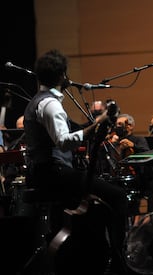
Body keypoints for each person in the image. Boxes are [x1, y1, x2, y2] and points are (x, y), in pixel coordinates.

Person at [23, 49, 128, 273]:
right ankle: (120, 264)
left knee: (94, 206)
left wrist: (95, 124)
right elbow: (63, 141)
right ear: (63, 75)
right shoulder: (50, 105)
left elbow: (71, 130)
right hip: (53, 172)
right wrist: (95, 127)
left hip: (45, 172)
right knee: (118, 196)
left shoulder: (39, 101)